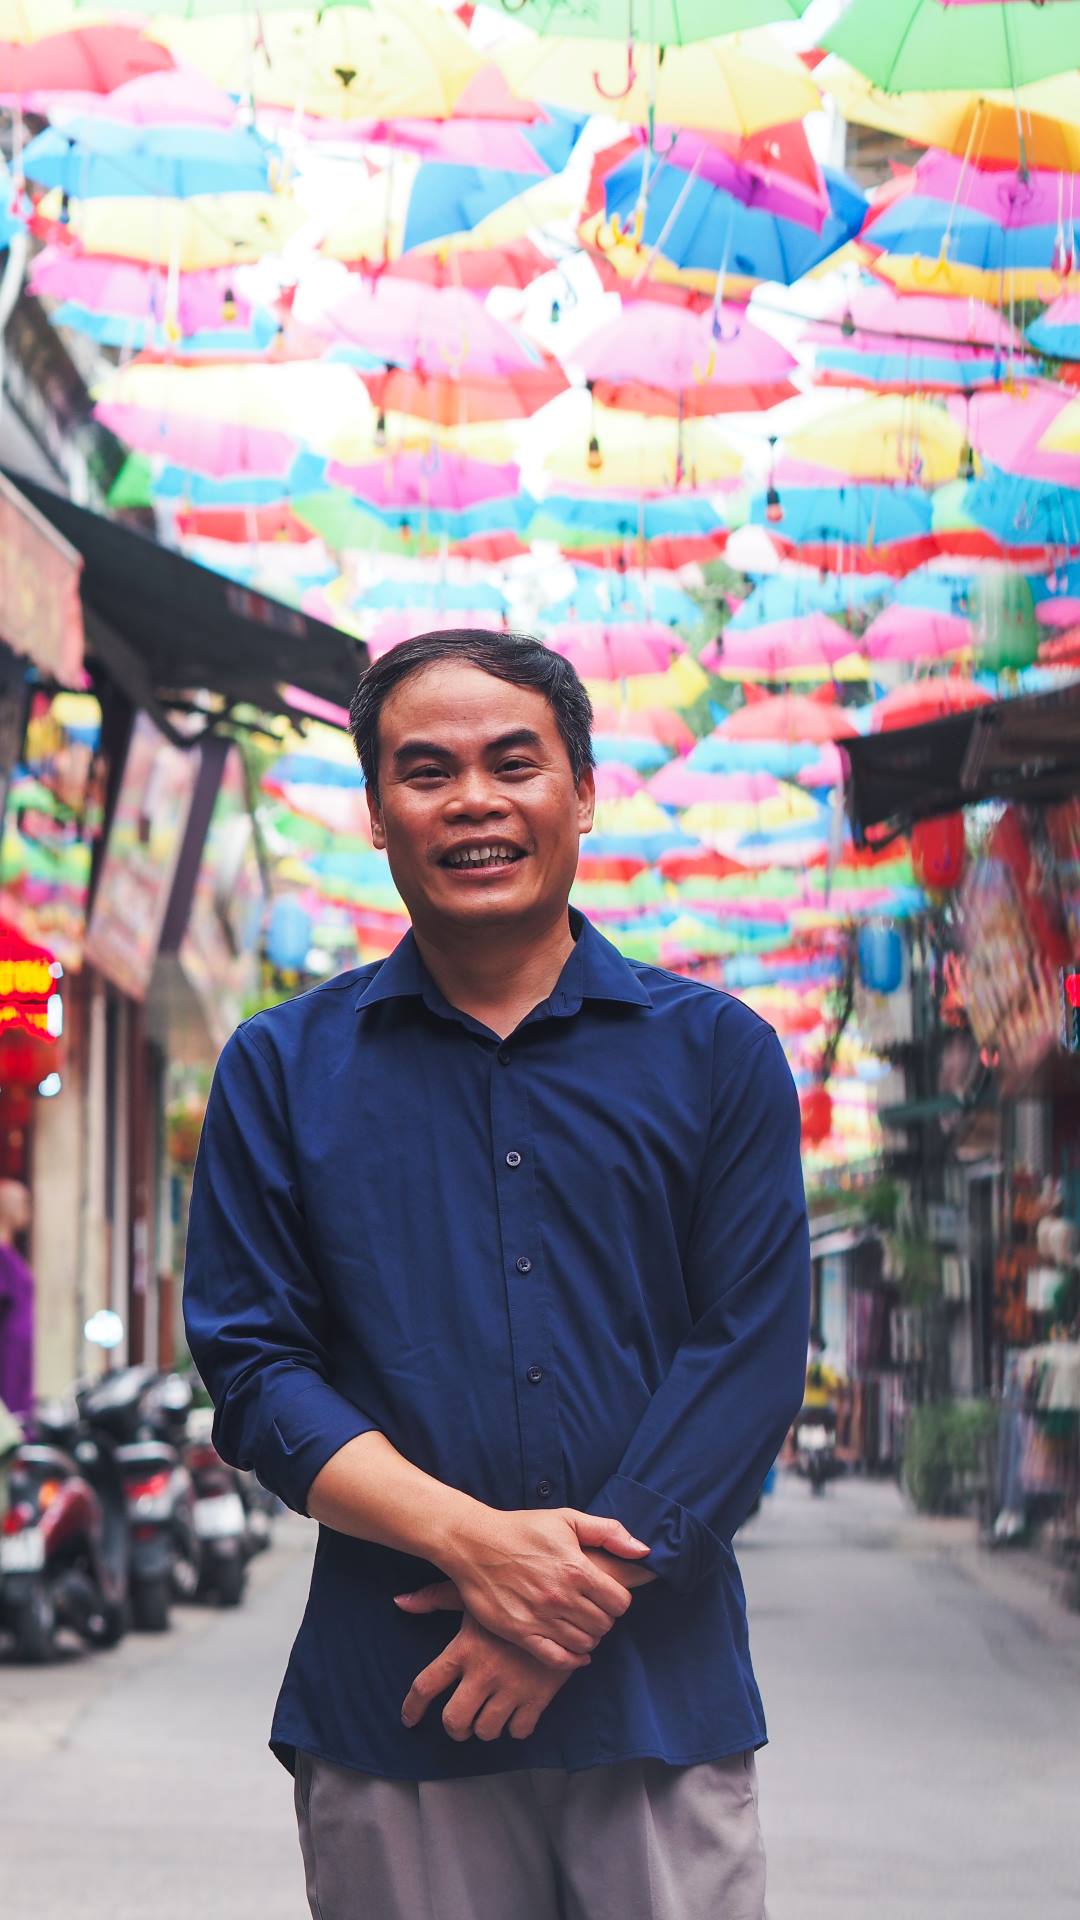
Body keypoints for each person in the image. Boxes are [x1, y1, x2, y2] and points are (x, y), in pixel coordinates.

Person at [183, 630, 811, 1920]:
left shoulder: (717, 1057)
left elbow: (749, 1351)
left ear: (582, 791)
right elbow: (254, 1373)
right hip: (395, 1706)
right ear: (376, 812)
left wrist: (562, 1609)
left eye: (513, 763)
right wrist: (475, 1544)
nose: (473, 800)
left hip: (658, 1701)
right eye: (427, 770)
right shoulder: (280, 1069)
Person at [0, 1179, 34, 1422]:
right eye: (23, 1202)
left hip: (18, 1353)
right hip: (6, 1356)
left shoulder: (9, 1251)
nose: (27, 1209)